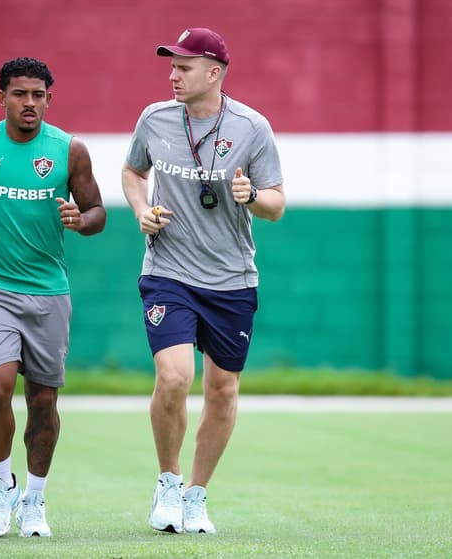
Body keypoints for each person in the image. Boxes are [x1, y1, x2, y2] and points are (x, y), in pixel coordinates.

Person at [121, 28, 285, 534]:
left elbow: (276, 205)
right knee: (173, 377)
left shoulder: (253, 127)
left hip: (232, 279)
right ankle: (167, 483)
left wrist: (250, 194)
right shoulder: (154, 118)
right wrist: (141, 209)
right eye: (171, 66)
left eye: (184, 67)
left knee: (222, 390)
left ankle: (196, 494)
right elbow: (132, 173)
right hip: (168, 271)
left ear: (214, 73)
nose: (172, 75)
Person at [0, 57, 106, 538]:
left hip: (49, 293)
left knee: (43, 399)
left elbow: (97, 213)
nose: (28, 103)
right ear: (1, 97)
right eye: (19, 94)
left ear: (50, 98)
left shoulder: (69, 152)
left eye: (37, 95)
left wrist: (80, 218)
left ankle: (34, 499)